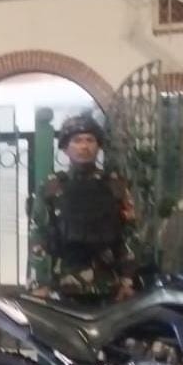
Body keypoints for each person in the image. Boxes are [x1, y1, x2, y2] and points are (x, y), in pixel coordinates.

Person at [29, 114, 139, 306]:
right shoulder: (51, 187)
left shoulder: (115, 186)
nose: (84, 146)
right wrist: (40, 283)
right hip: (62, 286)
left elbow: (129, 234)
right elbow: (40, 234)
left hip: (109, 286)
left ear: (98, 146)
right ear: (65, 147)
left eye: (90, 140)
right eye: (77, 140)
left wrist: (127, 280)